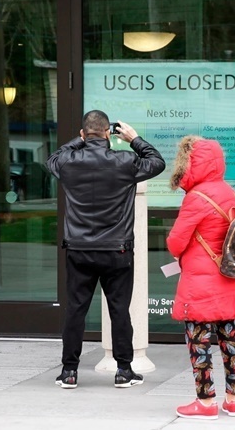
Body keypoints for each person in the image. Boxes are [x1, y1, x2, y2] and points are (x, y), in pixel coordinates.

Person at [46, 110, 165, 389]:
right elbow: (156, 162)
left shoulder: (68, 161)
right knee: (119, 311)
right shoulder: (124, 161)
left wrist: (79, 141)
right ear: (108, 133)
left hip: (79, 249)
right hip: (117, 250)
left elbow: (52, 158)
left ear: (84, 133)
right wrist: (134, 139)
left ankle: (69, 372)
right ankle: (124, 371)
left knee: (75, 310)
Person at [166, 135, 235, 420]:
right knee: (230, 340)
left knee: (199, 342)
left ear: (192, 164)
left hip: (200, 281)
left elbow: (176, 242)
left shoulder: (196, 197)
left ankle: (205, 401)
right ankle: (234, 400)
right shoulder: (231, 193)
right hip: (228, 275)